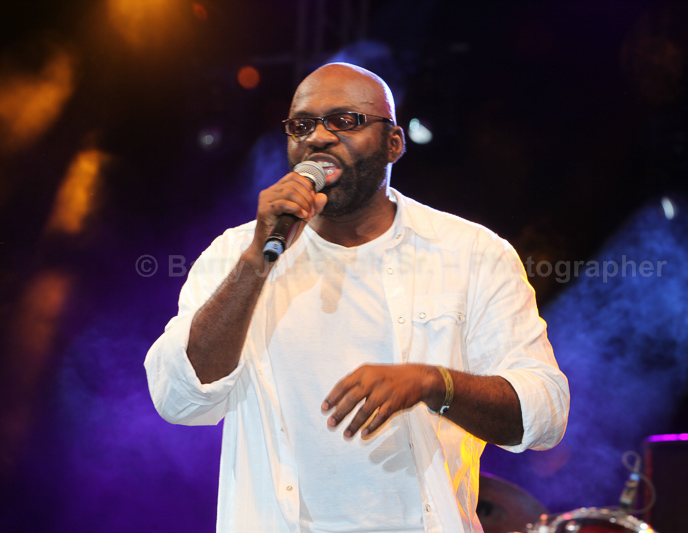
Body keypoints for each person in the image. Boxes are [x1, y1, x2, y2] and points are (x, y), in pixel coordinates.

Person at [144, 62, 570, 533]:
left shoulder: (471, 253)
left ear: (394, 143)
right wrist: (256, 262)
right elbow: (178, 398)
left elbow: (545, 413)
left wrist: (435, 383)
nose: (318, 137)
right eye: (301, 125)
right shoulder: (236, 253)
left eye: (344, 121)